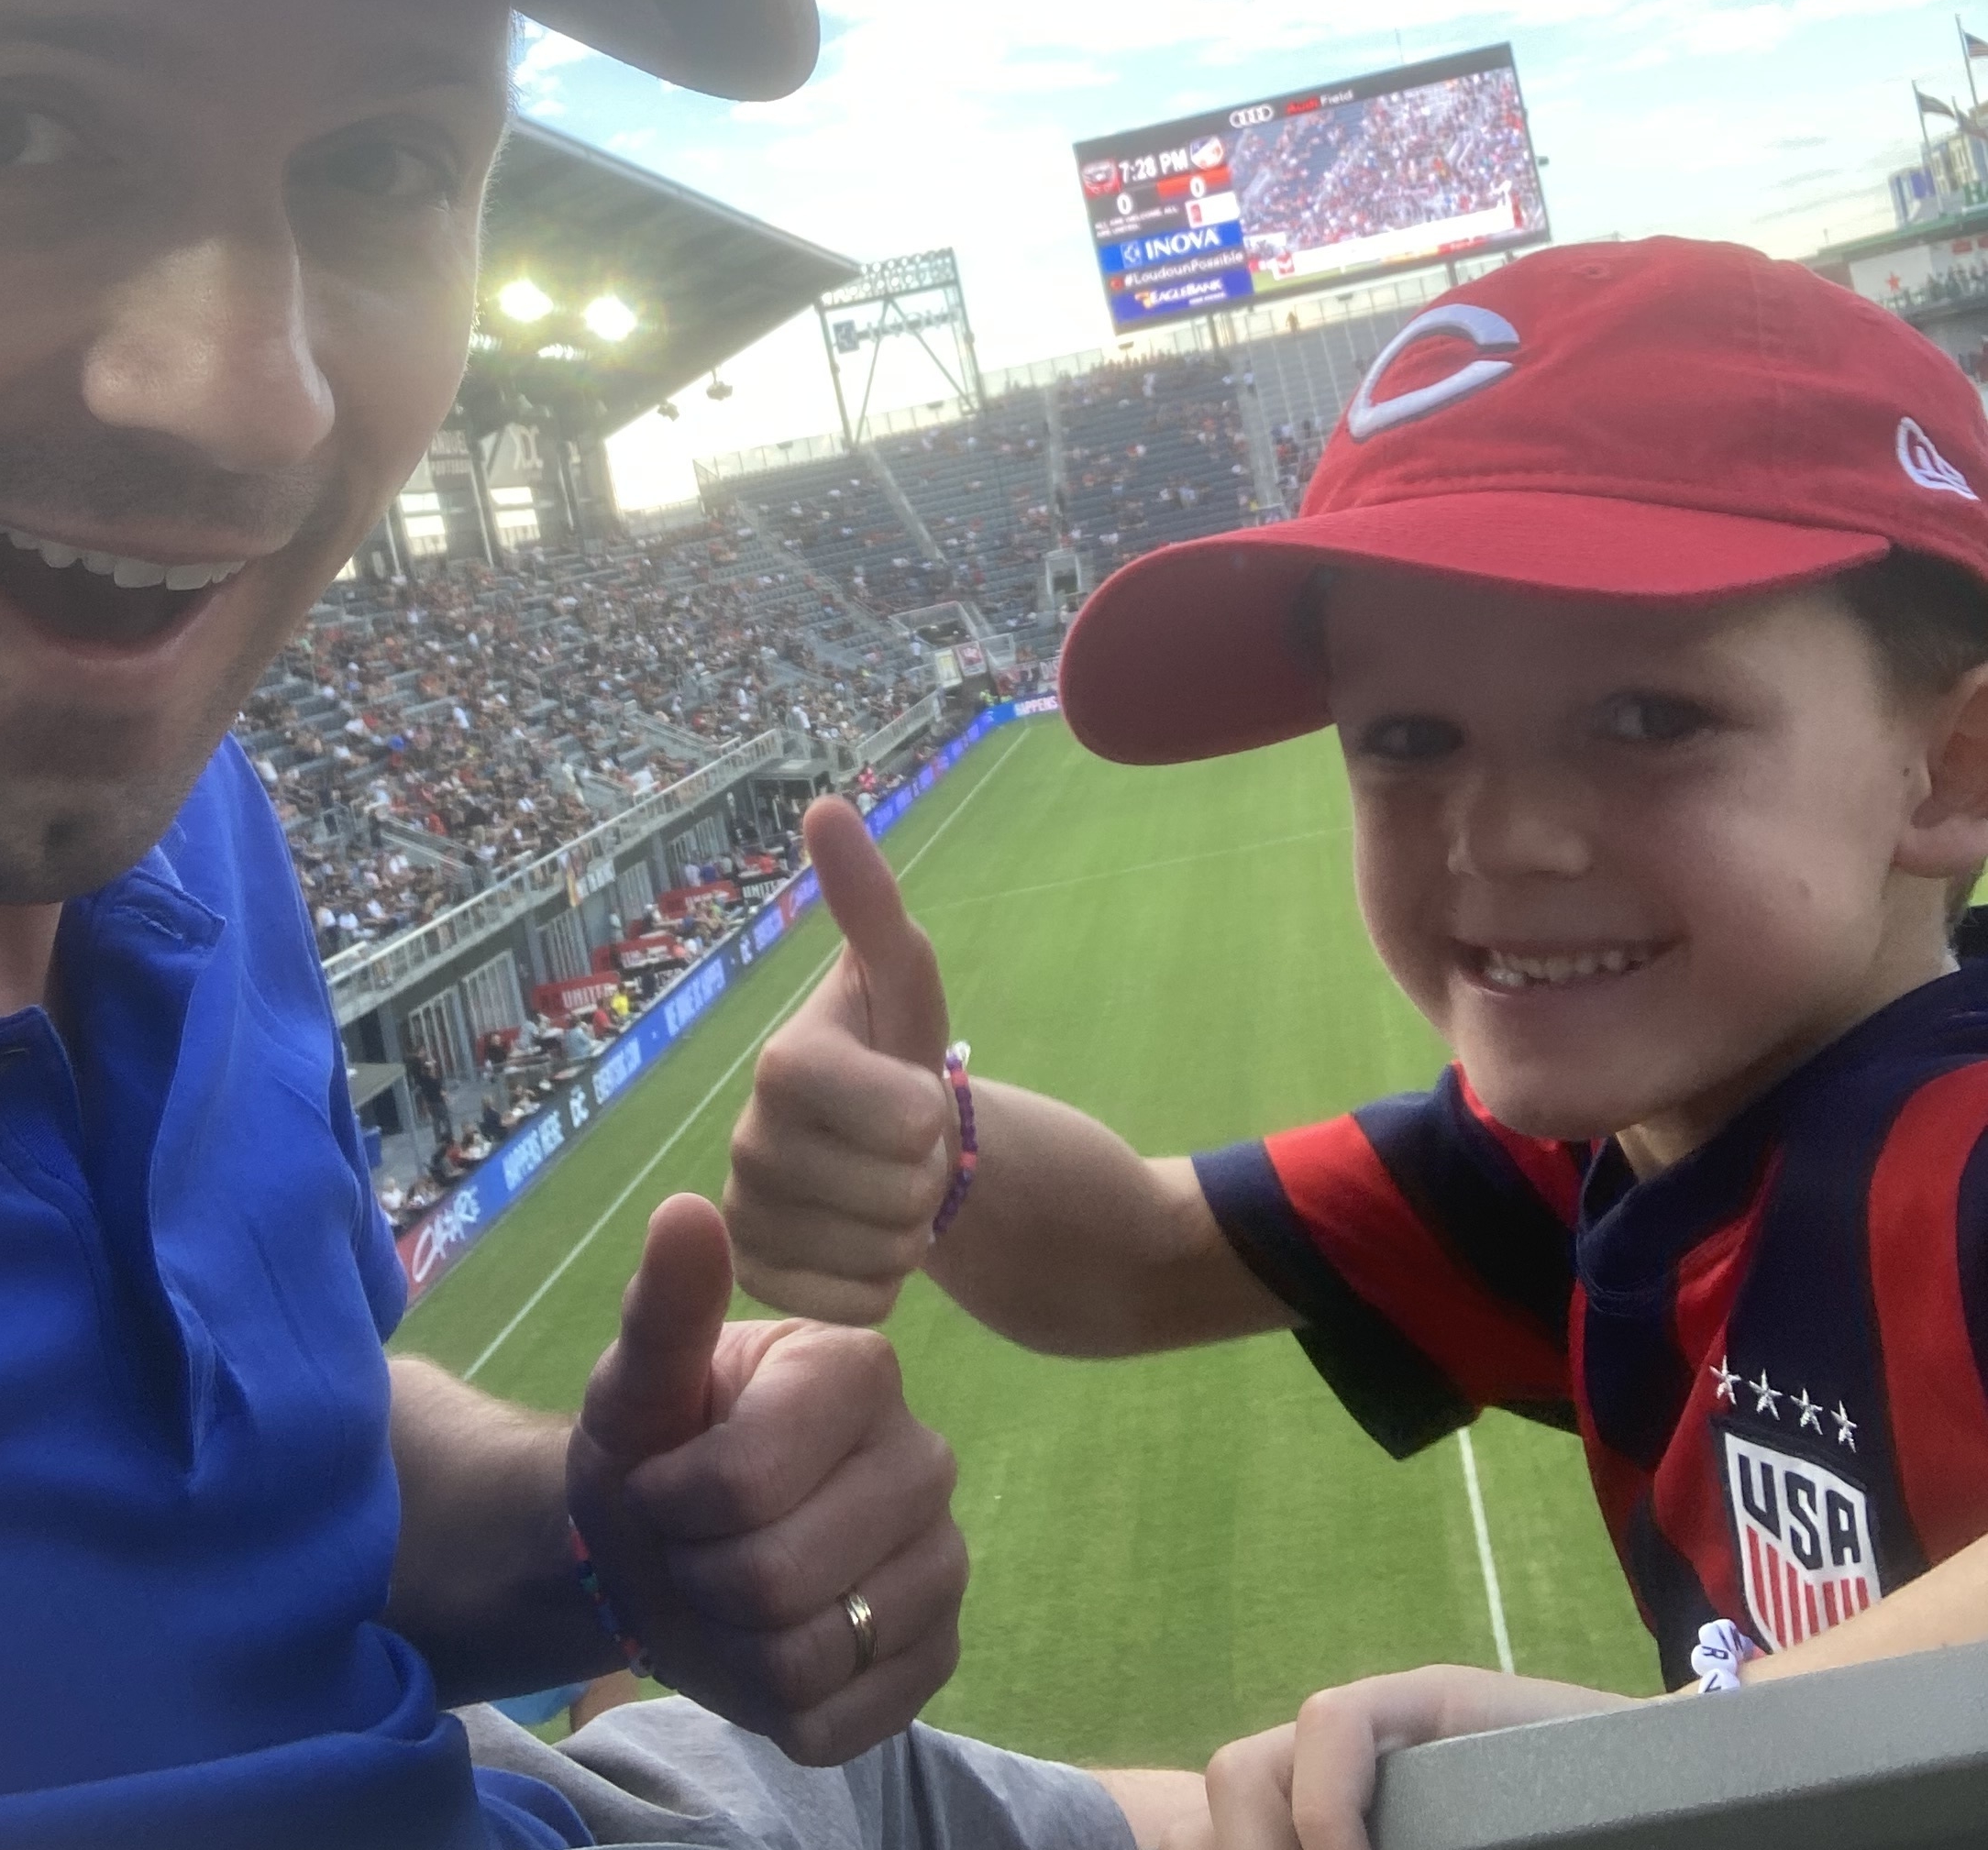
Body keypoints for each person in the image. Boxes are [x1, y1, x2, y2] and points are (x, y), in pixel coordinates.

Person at [0, 0, 1194, 1850]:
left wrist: (616, 1523)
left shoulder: (183, 799)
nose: (248, 394)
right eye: (7, 124)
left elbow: (249, 1487)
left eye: (385, 161)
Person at [725, 237, 1988, 1845]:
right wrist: (928, 1136)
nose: (1502, 835)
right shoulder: (1578, 1164)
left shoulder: (1955, 1162)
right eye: (1407, 738)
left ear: (1952, 768)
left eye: (1649, 716)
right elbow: (1135, 1255)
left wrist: (1665, 1771)